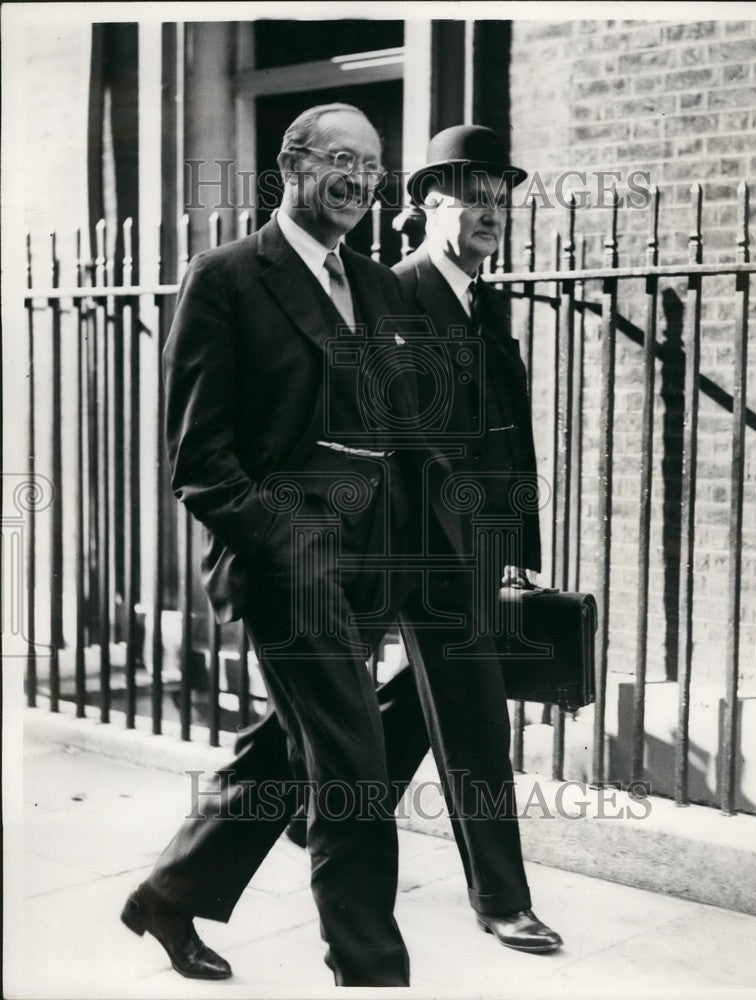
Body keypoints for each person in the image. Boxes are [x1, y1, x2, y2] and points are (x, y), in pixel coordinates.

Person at [121, 103, 417, 988]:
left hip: (370, 559)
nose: (360, 180)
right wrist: (288, 543)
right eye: (339, 160)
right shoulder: (226, 278)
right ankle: (371, 971)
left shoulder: (377, 285)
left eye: (370, 166)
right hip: (286, 564)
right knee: (354, 770)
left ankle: (171, 894)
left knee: (301, 746)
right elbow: (199, 461)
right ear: (290, 165)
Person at [286, 124, 565, 956]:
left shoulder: (482, 296)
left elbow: (499, 432)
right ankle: (500, 899)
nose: (490, 212)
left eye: (500, 199)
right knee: (477, 717)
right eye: (469, 196)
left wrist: (508, 536)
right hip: (411, 544)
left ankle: (310, 813)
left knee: (418, 704)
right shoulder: (394, 292)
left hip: (464, 542)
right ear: (420, 207)